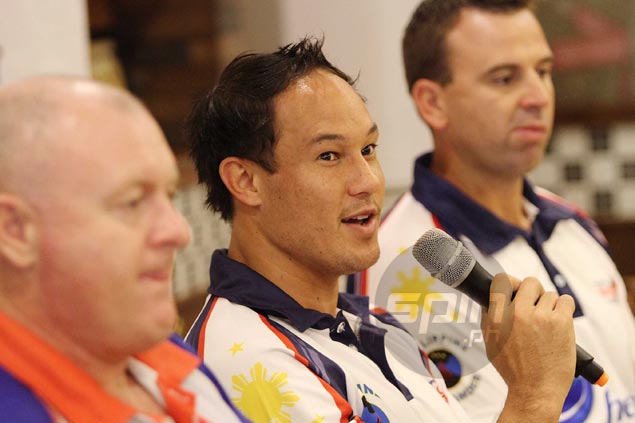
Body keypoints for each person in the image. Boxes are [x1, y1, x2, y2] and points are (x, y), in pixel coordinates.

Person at [185, 37, 578, 422]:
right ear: (245, 181)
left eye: (369, 149)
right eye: (329, 155)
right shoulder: (248, 360)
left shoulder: (377, 326)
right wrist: (532, 399)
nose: (367, 181)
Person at [354, 1, 635, 422]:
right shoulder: (400, 265)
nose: (538, 97)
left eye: (543, 71)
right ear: (432, 102)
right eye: (505, 78)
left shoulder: (571, 222)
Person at [0, 76, 251, 423]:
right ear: (14, 231)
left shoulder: (155, 353)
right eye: (132, 202)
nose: (178, 232)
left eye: (169, 196)